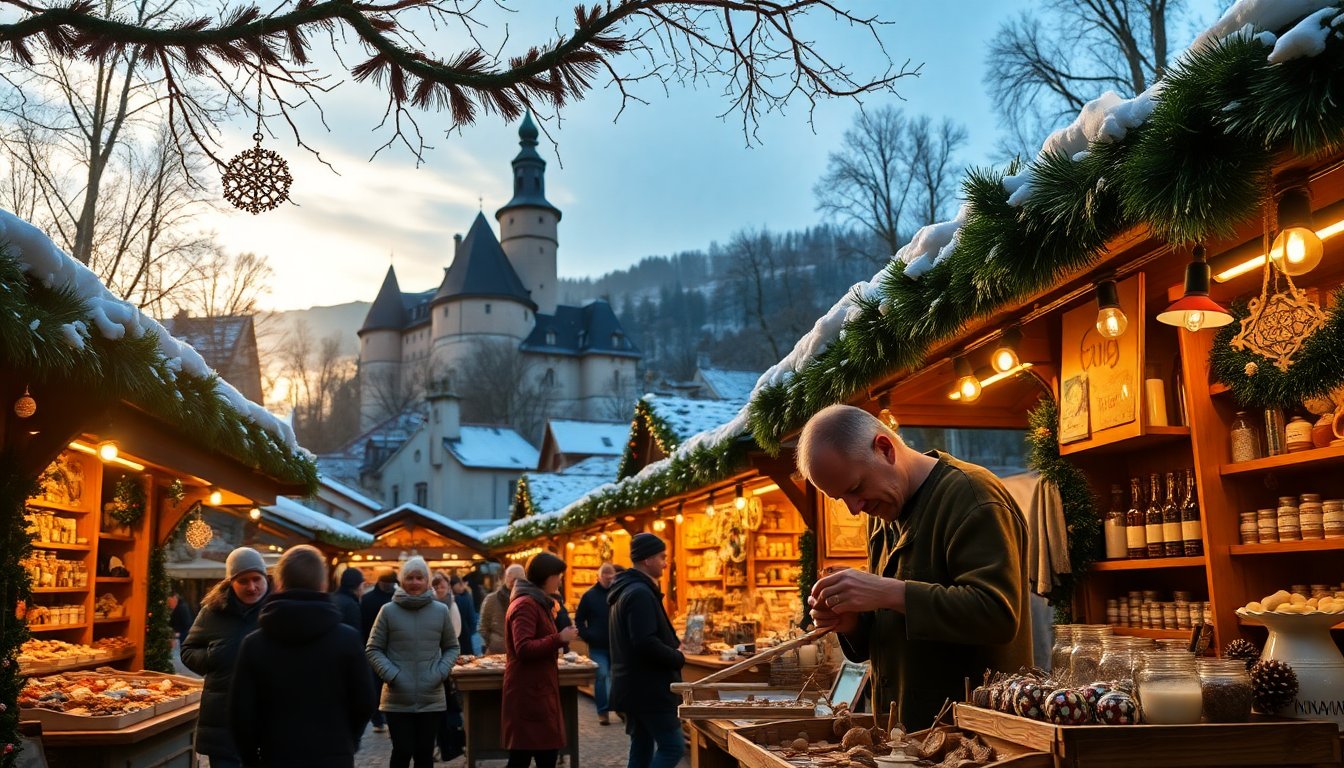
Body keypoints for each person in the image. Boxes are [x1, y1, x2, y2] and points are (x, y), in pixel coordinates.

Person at [799, 404, 1033, 730]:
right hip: (903, 739)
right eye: (842, 499)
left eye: (855, 489)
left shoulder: (972, 495)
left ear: (884, 448)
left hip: (973, 743)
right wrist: (851, 622)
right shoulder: (883, 518)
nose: (855, 509)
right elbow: (894, 628)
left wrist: (887, 591)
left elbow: (997, 615)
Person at [231, 545, 373, 767]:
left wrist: (251, 759)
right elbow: (364, 701)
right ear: (323, 584)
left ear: (279, 584)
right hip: (333, 756)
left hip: (276, 757)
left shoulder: (254, 644)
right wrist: (348, 741)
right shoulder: (347, 639)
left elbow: (241, 714)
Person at [180, 547, 270, 768]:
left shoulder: (277, 610)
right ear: (231, 582)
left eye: (256, 579)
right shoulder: (213, 611)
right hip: (222, 720)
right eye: (243, 581)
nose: (252, 587)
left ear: (266, 578)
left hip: (266, 719)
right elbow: (188, 651)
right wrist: (214, 657)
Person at [366, 557, 459, 768]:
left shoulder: (440, 611)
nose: (415, 582)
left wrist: (439, 672)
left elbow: (452, 647)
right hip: (397, 697)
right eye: (410, 577)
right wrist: (393, 675)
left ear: (427, 581)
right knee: (402, 751)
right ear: (402, 580)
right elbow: (373, 649)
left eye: (420, 577)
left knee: (424, 754)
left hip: (431, 695)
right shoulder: (388, 611)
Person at [608, 533, 684, 768]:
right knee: (672, 747)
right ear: (647, 559)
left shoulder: (629, 590)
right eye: (662, 557)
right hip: (649, 688)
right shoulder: (638, 593)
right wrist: (677, 656)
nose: (665, 562)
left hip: (634, 687)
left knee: (641, 746)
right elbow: (644, 642)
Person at [502, 553, 578, 768]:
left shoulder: (537, 601)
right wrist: (559, 638)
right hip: (529, 693)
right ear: (547, 577)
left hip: (536, 690)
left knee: (528, 756)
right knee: (533, 757)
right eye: (558, 576)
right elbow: (523, 647)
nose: (561, 580)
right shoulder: (526, 604)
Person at [574, 562, 615, 725]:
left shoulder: (618, 594)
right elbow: (579, 619)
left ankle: (619, 708)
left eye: (611, 576)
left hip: (617, 645)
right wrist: (587, 635)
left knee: (617, 678)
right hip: (597, 645)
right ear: (599, 577)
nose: (608, 579)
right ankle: (603, 711)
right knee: (602, 675)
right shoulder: (589, 596)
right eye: (605, 575)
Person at [430, 573, 466, 763]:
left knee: (446, 706)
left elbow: (456, 631)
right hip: (430, 661)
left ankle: (446, 745)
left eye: (442, 586)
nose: (439, 590)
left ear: (448, 586)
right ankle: (439, 745)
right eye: (435, 587)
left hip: (445, 659)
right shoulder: (426, 604)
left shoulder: (452, 604)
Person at [360, 570, 397, 733]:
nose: (389, 586)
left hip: (390, 648)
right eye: (387, 583)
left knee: (389, 683)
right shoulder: (369, 600)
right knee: (377, 685)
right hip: (375, 647)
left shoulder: (370, 599)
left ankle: (386, 718)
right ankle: (378, 719)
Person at [481, 564, 524, 654]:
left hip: (522, 651)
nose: (512, 581)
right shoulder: (492, 598)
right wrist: (493, 643)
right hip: (496, 651)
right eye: (509, 576)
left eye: (516, 577)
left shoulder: (529, 598)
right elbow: (483, 626)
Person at [449, 575, 478, 655]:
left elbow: (471, 617)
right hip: (465, 633)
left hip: (462, 633)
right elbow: (472, 618)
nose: (460, 587)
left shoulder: (460, 598)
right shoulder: (466, 596)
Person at [333, 566, 365, 630]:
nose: (363, 589)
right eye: (363, 584)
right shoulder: (351, 606)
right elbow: (354, 632)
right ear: (358, 586)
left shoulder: (332, 598)